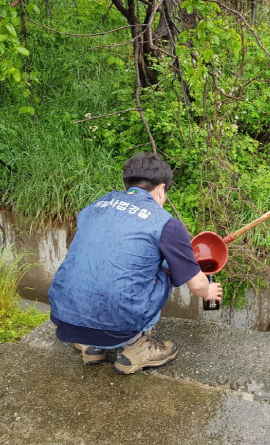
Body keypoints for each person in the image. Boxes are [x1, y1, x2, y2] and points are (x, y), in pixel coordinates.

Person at [48, 152, 222, 374]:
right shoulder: (166, 224)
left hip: (65, 319)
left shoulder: (97, 205)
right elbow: (197, 285)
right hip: (117, 329)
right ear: (161, 189)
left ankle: (91, 346)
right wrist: (208, 291)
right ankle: (136, 347)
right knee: (167, 265)